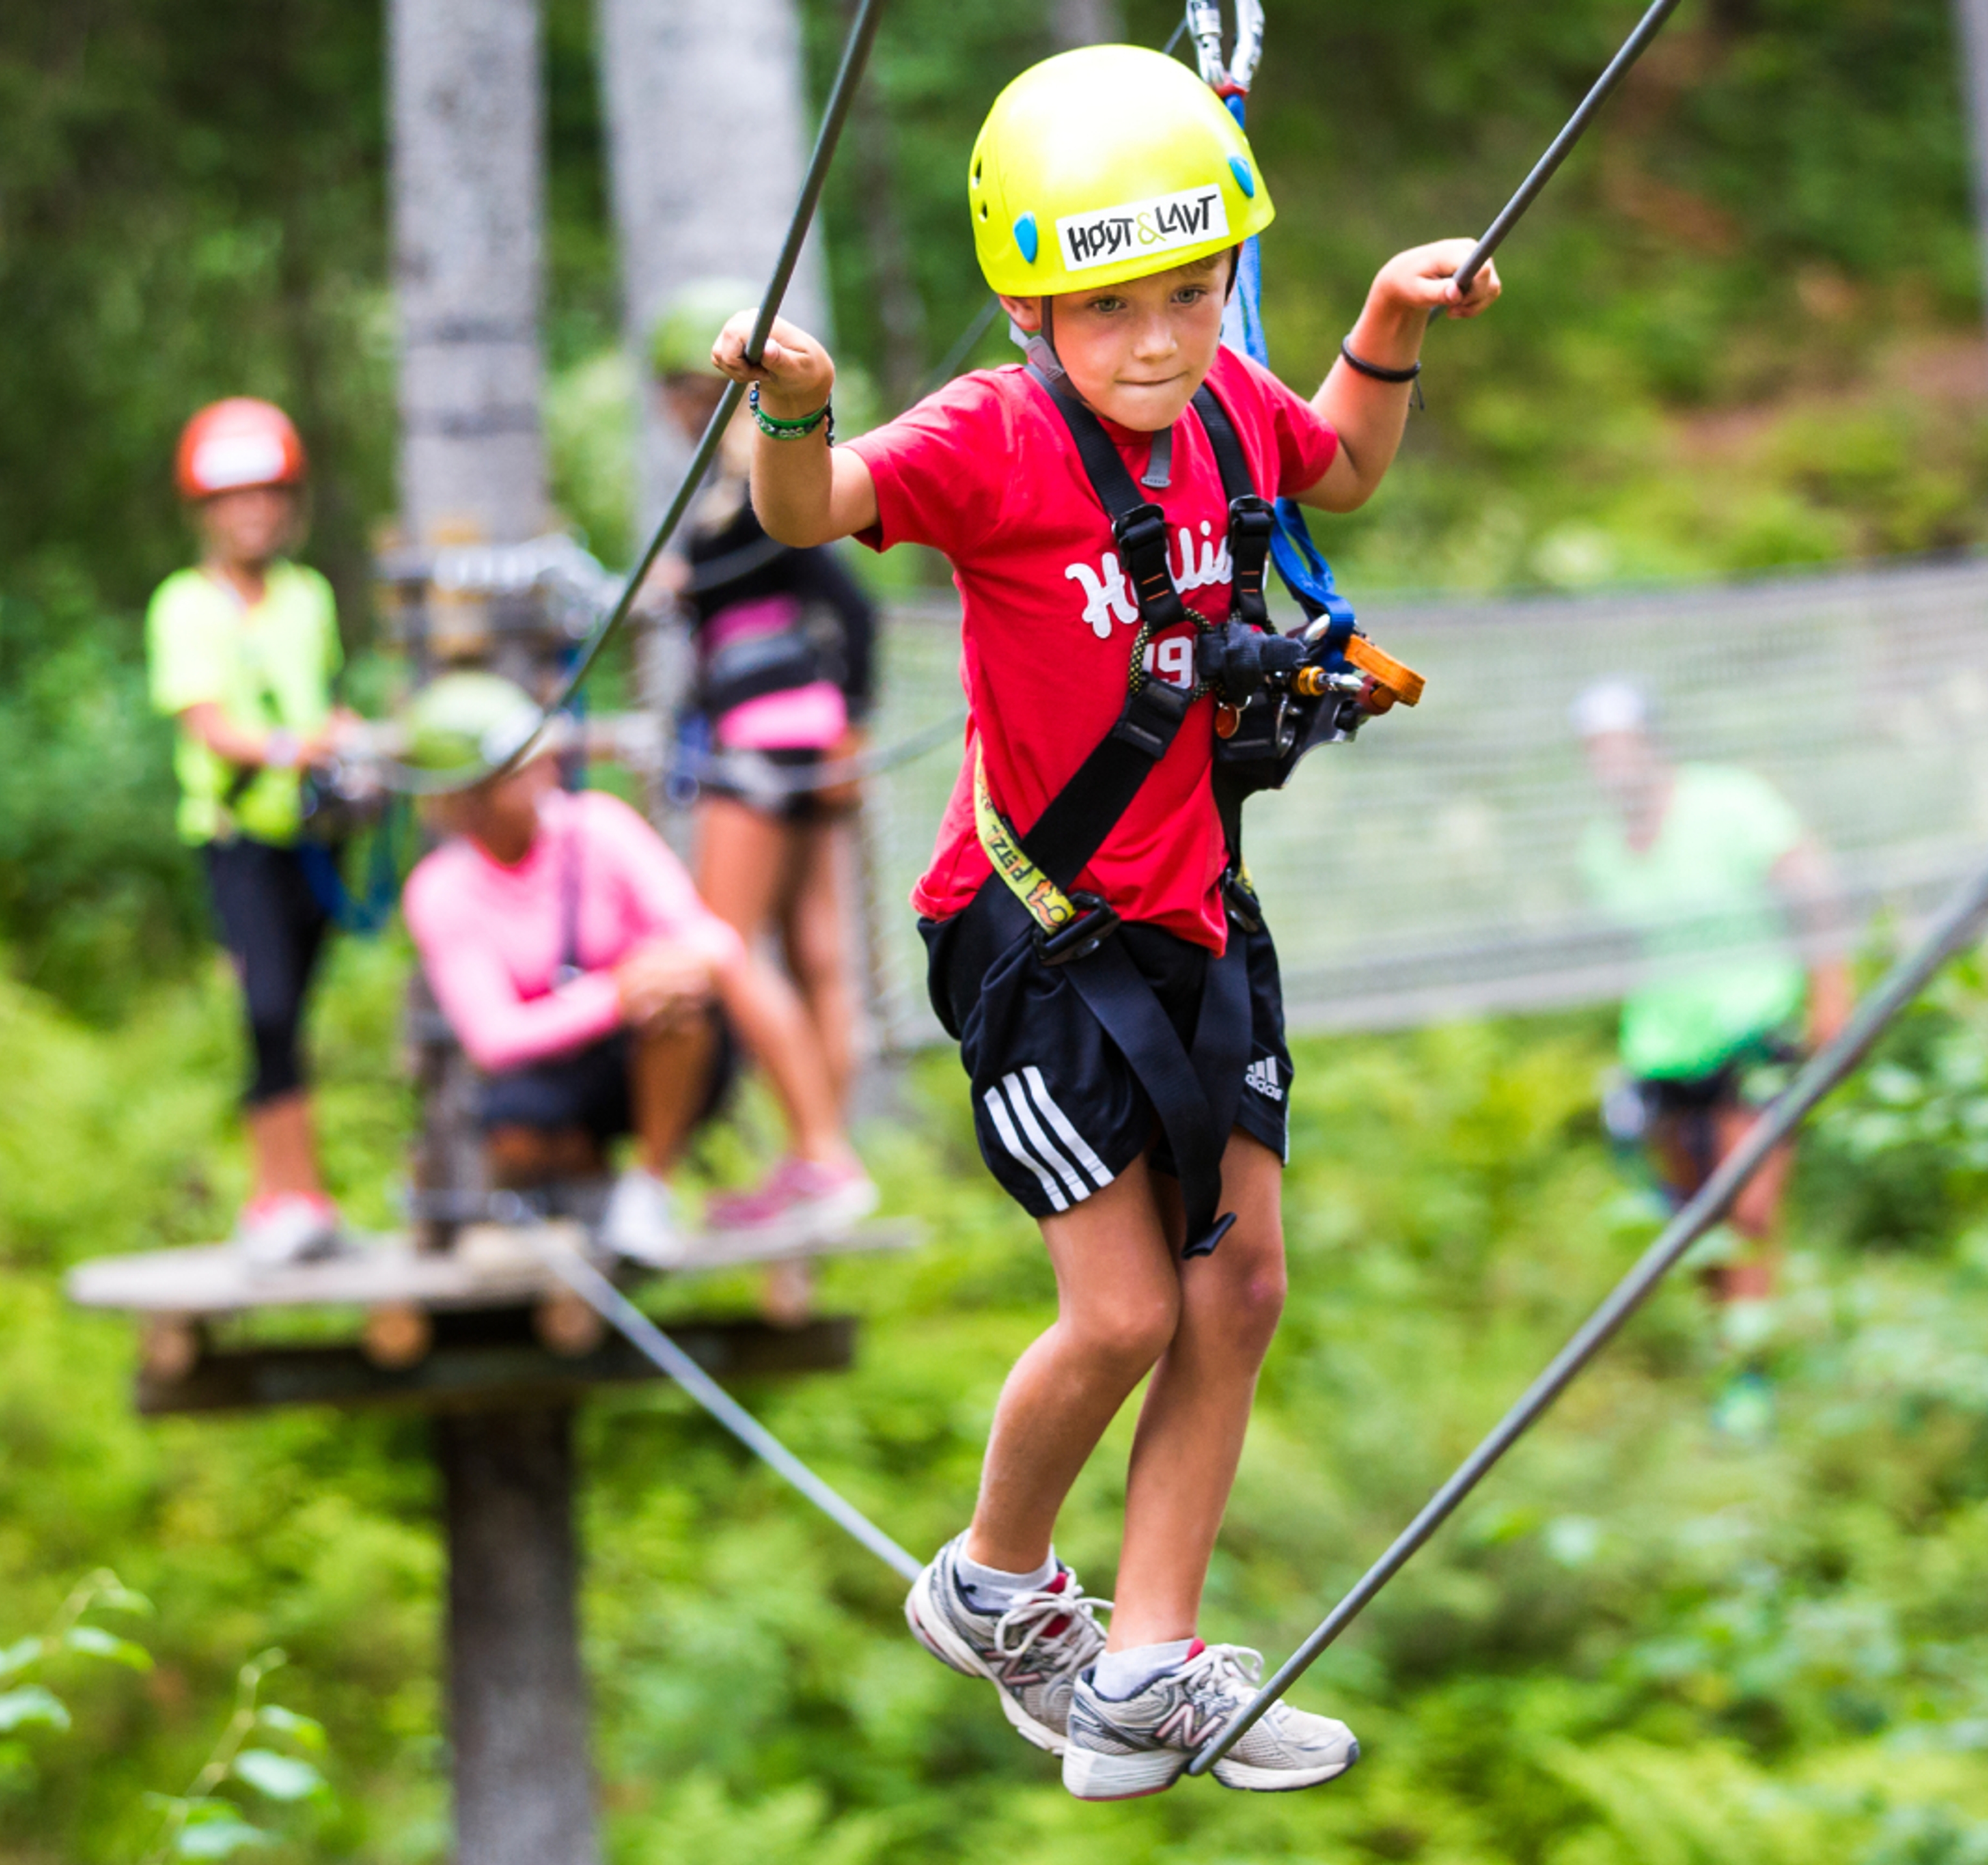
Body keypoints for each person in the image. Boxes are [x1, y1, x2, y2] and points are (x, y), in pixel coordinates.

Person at [706, 45, 1500, 1798]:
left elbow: (1344, 472)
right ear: (1029, 304)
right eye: (1115, 305)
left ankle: (1146, 1663)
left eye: (1198, 292)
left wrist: (1384, 315)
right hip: (1037, 939)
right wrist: (794, 408)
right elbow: (811, 515)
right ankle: (992, 1579)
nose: (1161, 338)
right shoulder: (994, 438)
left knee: (1243, 1291)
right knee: (1129, 1311)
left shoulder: (1224, 411)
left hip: (1199, 918)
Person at [397, 672, 876, 1267]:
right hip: (556, 1076)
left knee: (675, 995)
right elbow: (493, 1038)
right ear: (466, 797)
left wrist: (656, 973)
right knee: (518, 1127)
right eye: (519, 770)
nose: (546, 773)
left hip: (652, 1054)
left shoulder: (599, 826)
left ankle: (670, 1183)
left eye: (542, 758)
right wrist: (615, 994)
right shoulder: (442, 890)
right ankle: (588, 1195)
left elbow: (715, 941)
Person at [1571, 677, 1853, 1433]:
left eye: (1621, 744)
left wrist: (1833, 999)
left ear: (1651, 742)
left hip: (1754, 1033)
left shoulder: (1731, 803)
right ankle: (1735, 1359)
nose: (1611, 763)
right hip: (1665, 1056)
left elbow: (1813, 887)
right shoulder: (1601, 849)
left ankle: (1751, 1384)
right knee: (1694, 1226)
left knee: (1747, 1209)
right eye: (1597, 750)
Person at [649, 280, 881, 1105]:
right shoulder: (727, 497)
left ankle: (818, 1149)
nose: (678, 414)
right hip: (808, 729)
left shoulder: (756, 487)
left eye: (685, 396)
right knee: (816, 946)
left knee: (722, 945)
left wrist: (857, 718)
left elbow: (853, 605)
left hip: (763, 733)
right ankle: (830, 1157)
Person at [148, 398, 356, 1267]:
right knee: (266, 1011)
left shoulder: (309, 597)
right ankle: (279, 1197)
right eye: (236, 499)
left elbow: (326, 699)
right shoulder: (186, 607)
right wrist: (290, 747)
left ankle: (298, 1195)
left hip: (314, 838)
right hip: (239, 838)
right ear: (207, 511)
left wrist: (342, 742)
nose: (254, 513)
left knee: (294, 1016)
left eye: (268, 496)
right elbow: (207, 723)